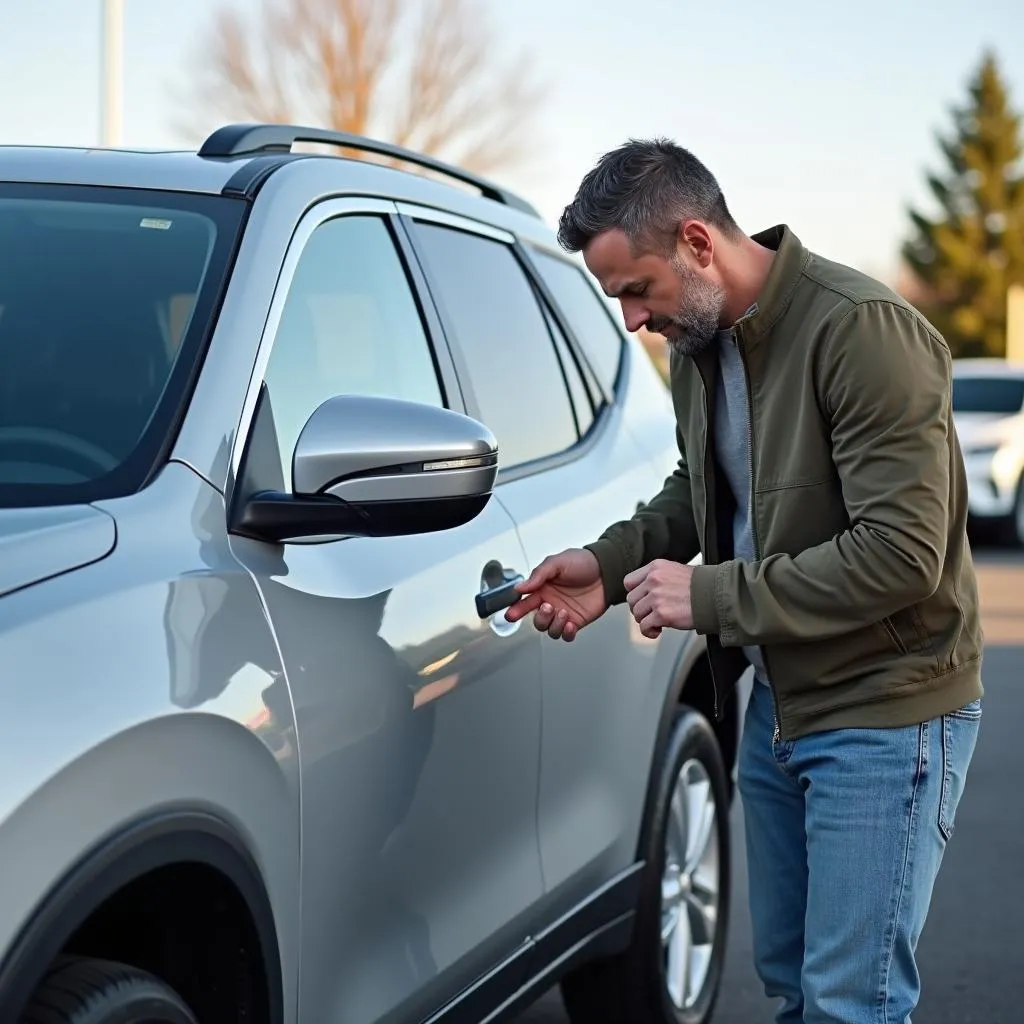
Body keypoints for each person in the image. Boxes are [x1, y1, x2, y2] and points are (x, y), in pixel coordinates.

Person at [505, 138, 983, 1024]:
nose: (631, 321)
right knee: (796, 991)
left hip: (887, 712)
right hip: (778, 707)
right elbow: (699, 490)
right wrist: (606, 568)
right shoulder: (702, 342)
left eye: (635, 290)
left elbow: (904, 555)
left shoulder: (863, 332)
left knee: (853, 1006)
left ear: (696, 242)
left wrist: (713, 599)